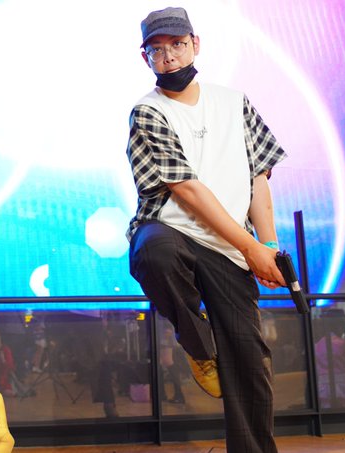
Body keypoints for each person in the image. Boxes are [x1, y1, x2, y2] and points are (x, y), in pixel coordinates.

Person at [126, 7, 287, 452]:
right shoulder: (147, 112)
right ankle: (199, 348)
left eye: (177, 45)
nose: (169, 57)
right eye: (157, 50)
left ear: (195, 44)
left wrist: (267, 245)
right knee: (154, 253)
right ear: (146, 57)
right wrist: (251, 247)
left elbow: (258, 178)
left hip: (229, 248)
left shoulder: (235, 103)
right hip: (171, 231)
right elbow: (187, 190)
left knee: (249, 361)